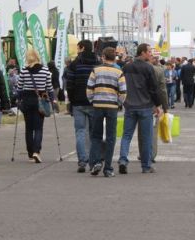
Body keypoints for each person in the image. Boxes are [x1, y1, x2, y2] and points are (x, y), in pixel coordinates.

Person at [117, 44, 162, 174]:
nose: (150, 54)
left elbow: (122, 85)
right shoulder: (148, 68)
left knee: (126, 135)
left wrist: (123, 101)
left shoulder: (126, 67)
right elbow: (153, 89)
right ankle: (146, 166)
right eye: (148, 52)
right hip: (145, 106)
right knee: (146, 137)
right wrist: (157, 105)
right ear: (142, 53)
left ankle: (123, 160)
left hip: (130, 105)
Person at [86, 47, 126, 177]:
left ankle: (97, 161)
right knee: (110, 137)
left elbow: (89, 89)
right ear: (114, 58)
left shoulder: (96, 70)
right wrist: (118, 103)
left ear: (103, 57)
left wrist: (93, 100)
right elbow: (123, 92)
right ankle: (108, 168)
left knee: (96, 135)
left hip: (98, 105)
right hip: (112, 107)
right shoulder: (118, 72)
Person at [64, 40, 98, 173]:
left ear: (82, 48)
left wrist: (72, 102)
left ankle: (82, 161)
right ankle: (92, 160)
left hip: (78, 102)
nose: (77, 50)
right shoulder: (97, 63)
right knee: (93, 132)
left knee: (80, 131)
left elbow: (70, 85)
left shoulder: (74, 64)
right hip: (94, 102)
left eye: (78, 48)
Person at [18, 48, 55, 163]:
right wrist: (52, 100)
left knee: (28, 128)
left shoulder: (24, 70)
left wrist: (18, 100)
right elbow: (49, 88)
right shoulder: (45, 70)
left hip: (27, 100)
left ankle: (30, 153)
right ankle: (36, 151)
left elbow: (19, 87)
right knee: (38, 127)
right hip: (40, 100)